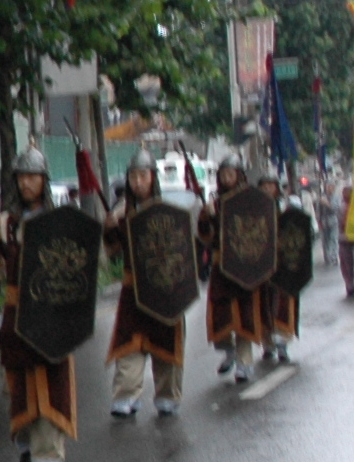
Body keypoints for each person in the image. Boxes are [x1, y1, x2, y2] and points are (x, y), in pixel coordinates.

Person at [0, 149, 78, 462]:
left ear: (44, 180)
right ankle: (27, 438)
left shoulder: (60, 222)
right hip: (16, 315)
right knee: (17, 383)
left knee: (51, 379)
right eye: (22, 177)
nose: (27, 183)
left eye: (33, 176)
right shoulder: (7, 223)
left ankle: (49, 452)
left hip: (51, 312)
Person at [103, 152, 186, 417]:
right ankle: (126, 395)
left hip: (164, 289)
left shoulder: (167, 212)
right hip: (133, 290)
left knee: (166, 348)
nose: (138, 182)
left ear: (153, 178)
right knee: (129, 347)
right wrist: (110, 228)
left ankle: (166, 395)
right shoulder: (120, 211)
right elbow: (114, 252)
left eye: (143, 176)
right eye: (133, 176)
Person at [201, 160, 265, 378]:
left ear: (239, 175)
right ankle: (229, 351)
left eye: (231, 174)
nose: (227, 179)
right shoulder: (216, 203)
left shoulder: (250, 202)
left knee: (245, 315)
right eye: (224, 175)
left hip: (245, 265)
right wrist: (207, 215)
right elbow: (206, 236)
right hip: (222, 266)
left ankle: (244, 362)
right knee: (221, 313)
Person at [256, 169, 301, 366]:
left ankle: (283, 343)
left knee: (283, 305)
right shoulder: (254, 209)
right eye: (264, 186)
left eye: (270, 185)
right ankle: (267, 344)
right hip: (262, 265)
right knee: (264, 305)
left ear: (276, 188)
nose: (267, 189)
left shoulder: (285, 207)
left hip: (283, 264)